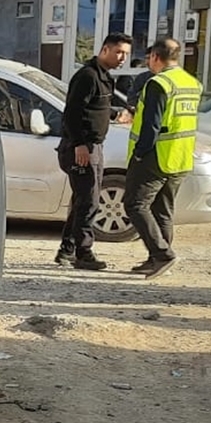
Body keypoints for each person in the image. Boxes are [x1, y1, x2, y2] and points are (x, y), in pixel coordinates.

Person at [124, 38, 202, 279]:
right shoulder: (192, 83)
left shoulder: (159, 83)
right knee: (162, 210)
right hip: (181, 156)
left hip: (156, 156)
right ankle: (157, 258)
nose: (148, 62)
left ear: (156, 57)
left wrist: (139, 153)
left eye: (149, 58)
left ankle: (162, 255)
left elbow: (152, 125)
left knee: (134, 205)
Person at [54, 33, 132, 270]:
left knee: (81, 201)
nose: (122, 58)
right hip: (81, 148)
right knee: (88, 202)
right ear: (105, 49)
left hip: (94, 146)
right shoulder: (87, 76)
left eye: (126, 54)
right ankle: (83, 253)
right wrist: (79, 145)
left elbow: (96, 107)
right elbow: (72, 113)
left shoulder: (105, 77)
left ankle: (66, 250)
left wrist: (115, 114)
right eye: (119, 52)